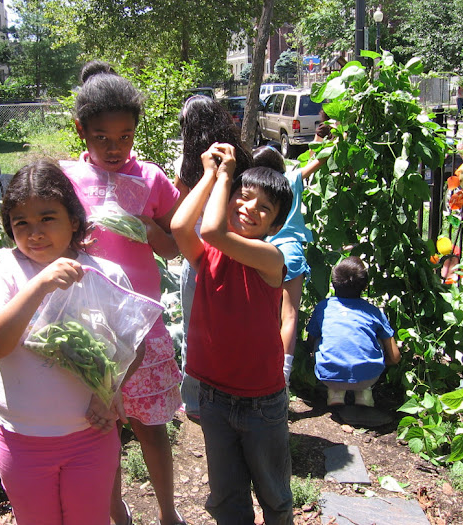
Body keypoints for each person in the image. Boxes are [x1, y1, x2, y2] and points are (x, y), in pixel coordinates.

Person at [0, 160, 128, 525]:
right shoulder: (3, 268)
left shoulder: (105, 275)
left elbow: (132, 346)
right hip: (21, 439)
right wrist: (39, 285)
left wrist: (109, 392)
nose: (34, 232)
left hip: (90, 436)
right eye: (21, 222)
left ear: (73, 220)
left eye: (47, 218)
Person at [61, 60, 185, 525]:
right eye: (101, 138)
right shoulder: (67, 179)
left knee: (151, 427)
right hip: (89, 323)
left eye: (125, 136)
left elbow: (175, 247)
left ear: (136, 130)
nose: (115, 148)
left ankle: (169, 512)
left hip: (141, 324)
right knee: (102, 427)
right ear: (81, 131)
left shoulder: (151, 179)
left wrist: (149, 230)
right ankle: (116, 512)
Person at [171, 142, 294, 525]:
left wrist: (227, 175)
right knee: (226, 498)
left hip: (261, 401)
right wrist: (209, 174)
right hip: (214, 397)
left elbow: (209, 229)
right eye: (243, 197)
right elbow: (179, 226)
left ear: (275, 225)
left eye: (263, 208)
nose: (249, 209)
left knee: (274, 496)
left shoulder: (271, 258)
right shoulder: (208, 257)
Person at [174, 95, 253, 419]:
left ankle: (194, 401)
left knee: (195, 331)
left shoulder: (188, 165)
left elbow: (179, 213)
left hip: (197, 257)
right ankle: (236, 393)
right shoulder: (241, 159)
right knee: (237, 330)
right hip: (235, 254)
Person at [253, 115, 331, 385]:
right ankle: (282, 378)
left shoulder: (254, 187)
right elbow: (318, 161)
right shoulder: (291, 178)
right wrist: (330, 137)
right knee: (289, 315)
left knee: (265, 315)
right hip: (291, 252)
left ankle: (260, 368)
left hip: (263, 252)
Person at [306, 256, 401, 407]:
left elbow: (311, 341)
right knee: (376, 339)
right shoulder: (373, 312)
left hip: (329, 375)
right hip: (368, 377)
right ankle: (364, 393)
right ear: (365, 286)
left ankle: (335, 393)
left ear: (333, 283)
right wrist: (377, 364)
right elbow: (395, 357)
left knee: (318, 338)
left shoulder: (323, 307)